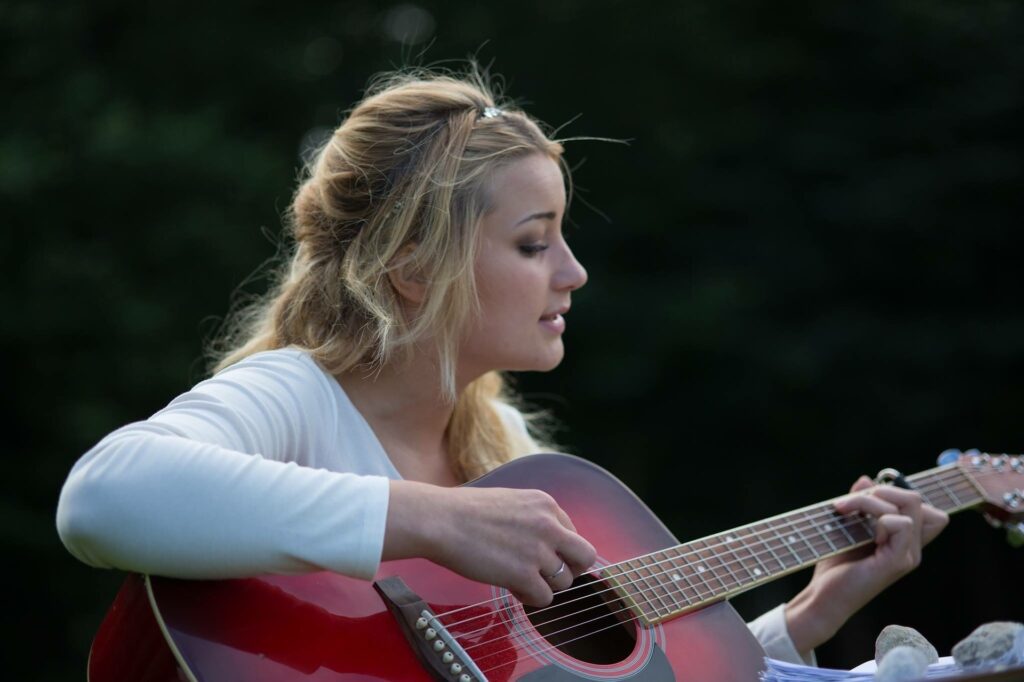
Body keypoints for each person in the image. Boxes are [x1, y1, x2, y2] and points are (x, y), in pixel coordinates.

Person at [56, 67, 949, 668]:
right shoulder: (296, 396)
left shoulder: (505, 446)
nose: (574, 272)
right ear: (413, 269)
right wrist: (435, 520)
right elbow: (101, 498)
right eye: (533, 243)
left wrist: (807, 618)